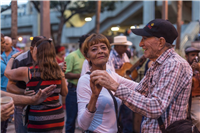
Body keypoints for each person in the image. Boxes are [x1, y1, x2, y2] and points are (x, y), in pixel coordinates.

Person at [90, 19, 193, 132]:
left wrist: (115, 86)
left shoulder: (173, 64)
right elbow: (139, 92)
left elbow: (155, 107)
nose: (140, 44)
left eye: (145, 38)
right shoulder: (158, 64)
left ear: (161, 42)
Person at [77, 33, 138, 133]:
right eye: (94, 49)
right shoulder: (85, 81)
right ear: (87, 57)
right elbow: (83, 125)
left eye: (103, 48)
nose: (100, 51)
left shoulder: (111, 75)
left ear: (108, 52)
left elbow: (138, 87)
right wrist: (94, 96)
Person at [5, 38, 68, 133]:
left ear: (36, 51)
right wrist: (62, 73)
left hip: (38, 118)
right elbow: (64, 92)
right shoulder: (58, 70)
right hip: (57, 117)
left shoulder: (27, 71)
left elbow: (7, 73)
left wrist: (12, 58)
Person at [6, 36, 46, 133]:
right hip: (22, 106)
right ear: (32, 49)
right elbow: (9, 86)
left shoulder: (47, 58)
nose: (44, 55)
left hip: (42, 106)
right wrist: (24, 92)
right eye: (40, 51)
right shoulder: (20, 60)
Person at [64, 34, 90, 133]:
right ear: (83, 44)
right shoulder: (72, 56)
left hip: (87, 91)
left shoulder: (90, 56)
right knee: (71, 120)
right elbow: (66, 74)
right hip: (73, 91)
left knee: (87, 120)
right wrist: (83, 75)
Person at [109, 35, 134, 133]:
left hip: (124, 89)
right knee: (115, 117)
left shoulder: (124, 55)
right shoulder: (110, 56)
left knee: (127, 117)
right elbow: (111, 74)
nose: (126, 48)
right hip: (115, 91)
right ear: (117, 46)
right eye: (124, 46)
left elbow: (127, 69)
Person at [185, 46, 200, 131]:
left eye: (196, 55)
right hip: (191, 99)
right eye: (192, 55)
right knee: (198, 119)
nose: (195, 57)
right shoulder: (184, 67)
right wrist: (191, 69)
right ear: (186, 56)